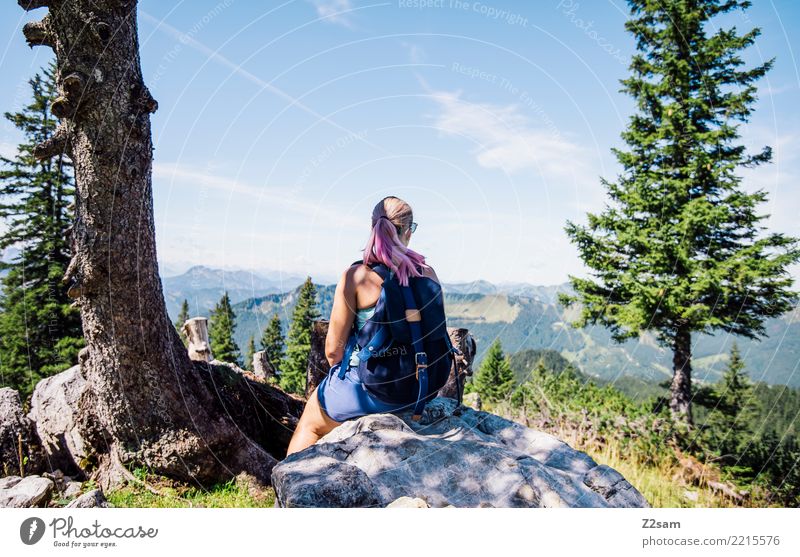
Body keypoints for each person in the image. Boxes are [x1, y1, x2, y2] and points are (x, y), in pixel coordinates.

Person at [285, 195, 442, 456]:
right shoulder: (428, 274)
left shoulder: (356, 277)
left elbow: (333, 352)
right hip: (420, 387)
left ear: (373, 228)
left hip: (371, 389)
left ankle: (288, 489)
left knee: (310, 424)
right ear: (408, 232)